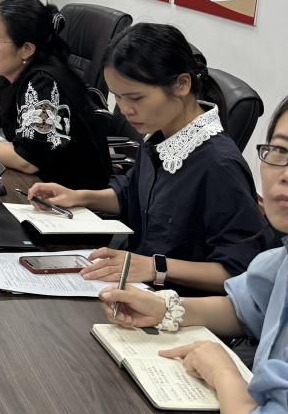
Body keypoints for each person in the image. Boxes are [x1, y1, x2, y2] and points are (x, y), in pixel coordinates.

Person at [100, 96, 288, 414]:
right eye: (280, 150)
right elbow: (248, 309)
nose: (285, 174)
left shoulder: (218, 163)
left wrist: (222, 373)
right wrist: (164, 308)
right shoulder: (281, 259)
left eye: (135, 95)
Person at [28, 23, 268, 294]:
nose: (125, 110)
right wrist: (78, 196)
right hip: (135, 287)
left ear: (182, 84)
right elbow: (131, 193)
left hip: (179, 304)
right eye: (118, 97)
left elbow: (239, 271)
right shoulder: (160, 134)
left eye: (136, 98)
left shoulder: (219, 165)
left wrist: (155, 267)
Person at [0, 0, 111, 190]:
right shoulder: (12, 70)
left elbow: (28, 159)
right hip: (39, 186)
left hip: (73, 195)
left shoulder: (43, 84)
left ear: (26, 49)